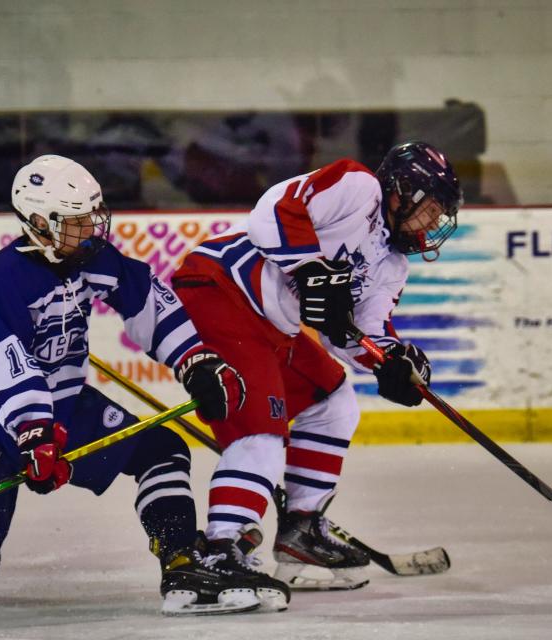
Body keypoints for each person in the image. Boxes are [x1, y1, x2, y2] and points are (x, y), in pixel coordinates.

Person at [0, 155, 288, 615]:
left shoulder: (92, 258)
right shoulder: (1, 278)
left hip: (65, 405)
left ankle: (179, 560)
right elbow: (7, 367)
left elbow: (148, 302)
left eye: (93, 218)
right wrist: (35, 433)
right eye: (77, 223)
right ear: (39, 223)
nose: (92, 231)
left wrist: (194, 361)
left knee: (161, 450)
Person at [171, 141, 462, 590]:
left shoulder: (393, 263)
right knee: (261, 431)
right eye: (431, 210)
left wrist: (392, 362)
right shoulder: (357, 187)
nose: (433, 224)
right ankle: (219, 550)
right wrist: (310, 268)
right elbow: (271, 213)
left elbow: (352, 331)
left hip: (273, 324)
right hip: (221, 290)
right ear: (402, 190)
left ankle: (300, 530)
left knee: (334, 402)